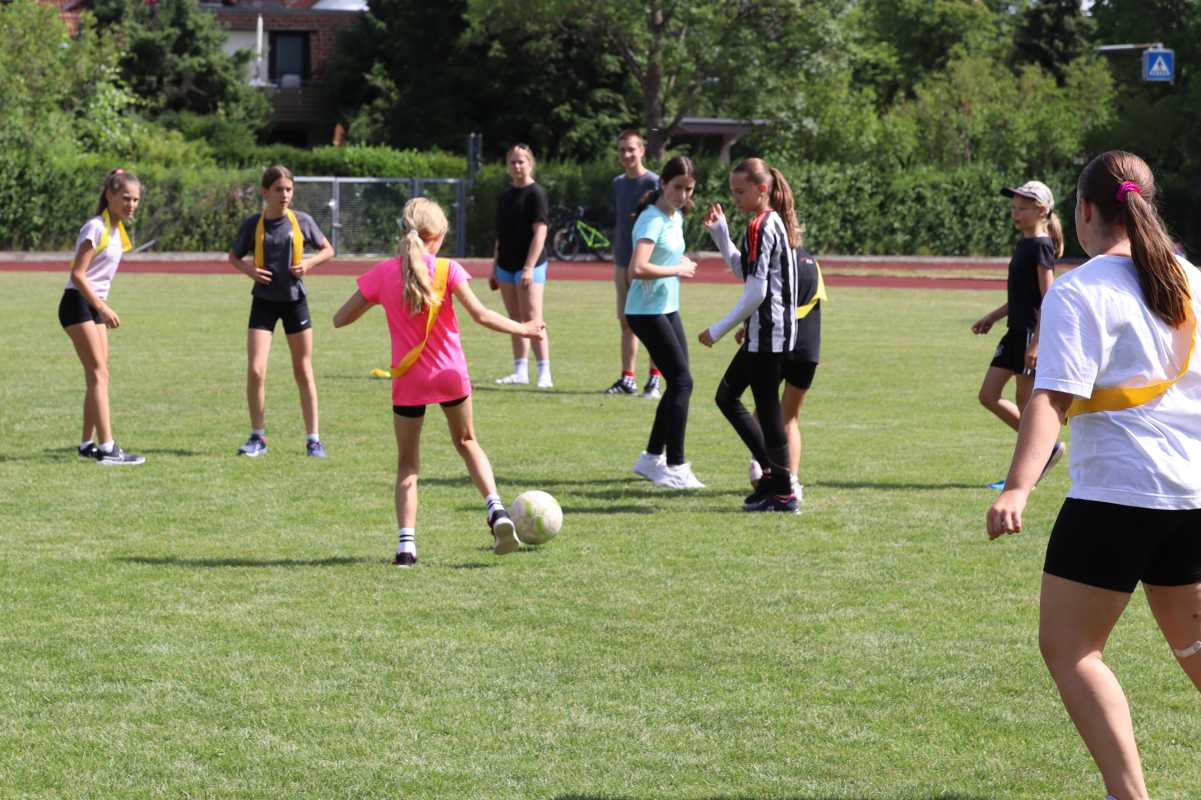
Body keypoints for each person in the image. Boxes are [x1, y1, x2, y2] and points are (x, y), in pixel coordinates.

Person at [987, 151, 1201, 800]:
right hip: (1191, 497)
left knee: (1071, 649)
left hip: (1116, 498)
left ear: (1082, 210)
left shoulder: (1080, 291)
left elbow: (1051, 398)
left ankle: (1127, 795)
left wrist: (1017, 487)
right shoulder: (1192, 279)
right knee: (1194, 654)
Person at [333, 198, 546, 566]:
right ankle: (496, 509)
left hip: (409, 380)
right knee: (467, 442)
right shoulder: (448, 269)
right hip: (450, 375)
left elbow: (340, 319)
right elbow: (482, 315)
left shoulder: (384, 273)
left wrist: (378, 298)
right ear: (439, 235)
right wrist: (524, 329)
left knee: (408, 465)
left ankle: (406, 548)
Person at [700, 158, 802, 512]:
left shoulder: (761, 224)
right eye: (732, 192)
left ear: (761, 189)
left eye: (740, 192)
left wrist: (718, 329)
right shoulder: (768, 222)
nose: (735, 198)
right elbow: (747, 272)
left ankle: (783, 489)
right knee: (730, 397)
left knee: (764, 409)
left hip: (769, 333)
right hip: (769, 332)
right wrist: (721, 235)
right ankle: (775, 479)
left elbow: (757, 292)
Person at [228, 165, 334, 458]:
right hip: (263, 301)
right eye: (278, 189)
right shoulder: (254, 224)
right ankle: (257, 437)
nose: (285, 194)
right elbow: (233, 256)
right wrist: (250, 270)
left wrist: (309, 264)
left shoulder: (302, 221)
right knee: (256, 369)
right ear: (266, 192)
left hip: (294, 301)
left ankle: (314, 440)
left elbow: (328, 249)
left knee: (303, 369)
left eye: (288, 189)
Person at [971, 179, 1066, 488]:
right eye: (1014, 208)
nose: (1016, 213)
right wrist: (992, 317)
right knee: (988, 396)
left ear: (1042, 210)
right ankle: (1047, 448)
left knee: (1026, 404)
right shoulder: (1024, 244)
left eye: (1023, 208)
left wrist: (1037, 342)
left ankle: (1028, 469)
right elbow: (1021, 297)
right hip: (1014, 332)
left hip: (1029, 335)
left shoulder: (1041, 246)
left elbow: (1049, 298)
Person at [626, 155, 703, 489]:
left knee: (678, 382)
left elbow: (665, 256)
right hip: (646, 312)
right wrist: (678, 269)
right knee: (683, 382)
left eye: (689, 189)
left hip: (666, 308)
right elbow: (637, 268)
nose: (683, 195)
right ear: (662, 184)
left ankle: (651, 457)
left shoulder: (676, 217)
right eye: (677, 187)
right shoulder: (651, 219)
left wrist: (678, 260)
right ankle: (675, 464)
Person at [59, 169, 146, 465]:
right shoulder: (95, 227)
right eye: (126, 198)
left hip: (93, 305)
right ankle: (108, 449)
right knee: (98, 374)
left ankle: (87, 444)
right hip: (77, 304)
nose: (131, 204)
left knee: (99, 375)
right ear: (109, 195)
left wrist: (100, 306)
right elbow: (78, 274)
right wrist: (103, 307)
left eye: (135, 199)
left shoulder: (117, 230)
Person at [741, 245, 825, 504]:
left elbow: (764, 297)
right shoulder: (812, 262)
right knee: (789, 418)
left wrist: (748, 324)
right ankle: (792, 481)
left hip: (777, 341)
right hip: (807, 345)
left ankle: (762, 468)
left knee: (763, 410)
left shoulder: (774, 259)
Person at [605, 130, 663, 398]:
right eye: (622, 150)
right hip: (622, 261)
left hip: (646, 263)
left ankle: (654, 379)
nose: (626, 154)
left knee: (651, 322)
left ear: (642, 150)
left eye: (631, 149)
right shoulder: (618, 183)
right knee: (627, 321)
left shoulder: (654, 182)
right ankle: (627, 378)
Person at [491, 144, 553, 388]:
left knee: (533, 318)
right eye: (513, 162)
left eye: (521, 161)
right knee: (515, 319)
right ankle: (520, 371)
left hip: (530, 266)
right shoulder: (505, 195)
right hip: (505, 265)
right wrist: (494, 266)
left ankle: (544, 372)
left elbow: (540, 233)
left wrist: (528, 267)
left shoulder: (536, 193)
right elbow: (500, 235)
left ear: (530, 163)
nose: (517, 166)